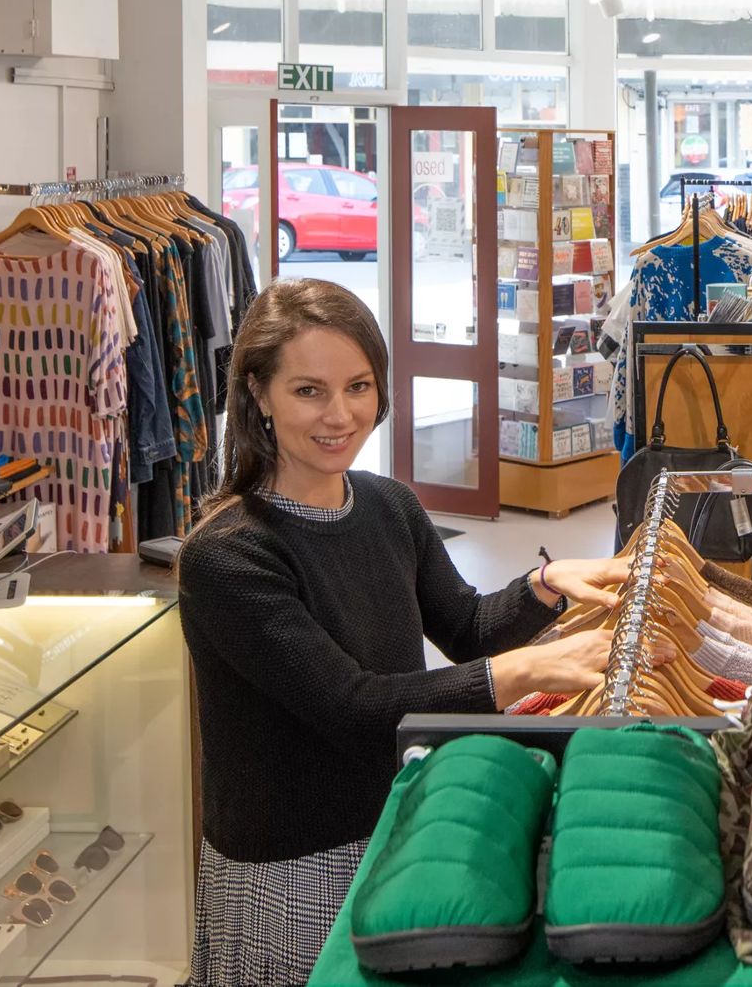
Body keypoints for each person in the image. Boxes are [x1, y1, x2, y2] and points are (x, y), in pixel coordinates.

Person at [179, 279, 643, 987]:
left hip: (399, 827)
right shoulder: (227, 556)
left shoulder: (388, 504)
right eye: (309, 391)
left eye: (359, 386)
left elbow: (466, 625)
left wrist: (546, 585)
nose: (341, 415)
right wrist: (527, 672)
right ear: (257, 394)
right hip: (290, 872)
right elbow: (350, 705)